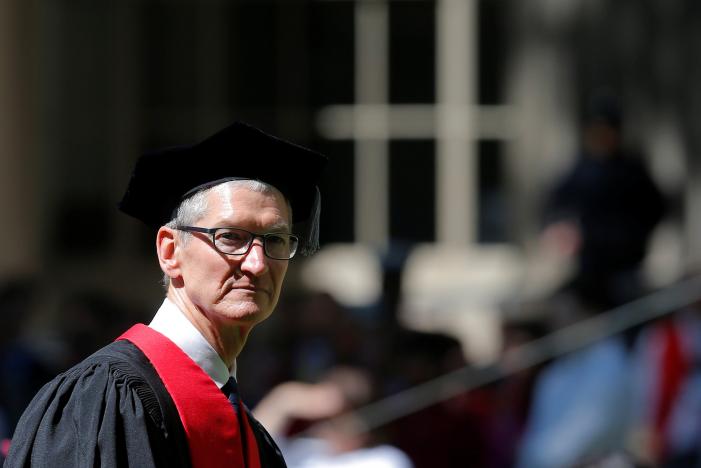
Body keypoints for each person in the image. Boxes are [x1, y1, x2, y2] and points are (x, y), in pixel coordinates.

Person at [5, 121, 326, 467]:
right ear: (170, 252)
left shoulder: (251, 435)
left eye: (275, 239)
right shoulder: (104, 400)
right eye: (231, 237)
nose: (258, 263)